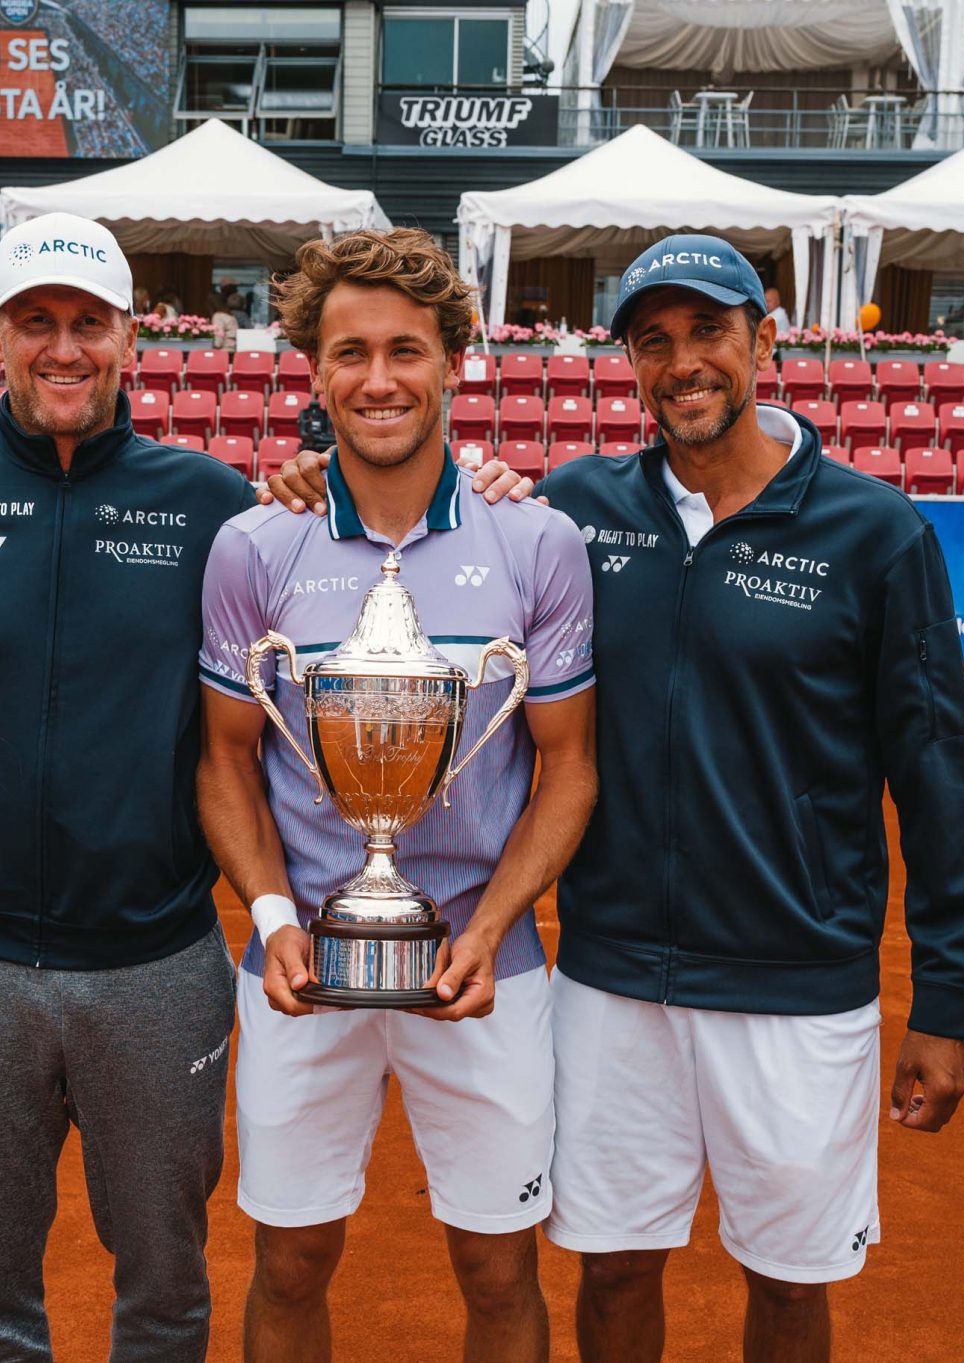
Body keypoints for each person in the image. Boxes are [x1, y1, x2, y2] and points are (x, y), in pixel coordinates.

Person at [265, 233, 964, 1363]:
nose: (681, 363)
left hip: (797, 984)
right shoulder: (574, 513)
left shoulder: (874, 532)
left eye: (707, 332)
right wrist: (318, 481)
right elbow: (440, 510)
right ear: (629, 365)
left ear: (763, 339)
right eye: (652, 342)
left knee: (791, 1288)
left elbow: (937, 776)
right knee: (609, 1276)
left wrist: (944, 1004)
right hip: (612, 983)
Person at [0, 211, 255, 1363]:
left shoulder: (210, 503)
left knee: (168, 1289)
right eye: (37, 322)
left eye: (88, 323)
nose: (63, 348)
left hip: (156, 965)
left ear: (131, 338)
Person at [197, 227, 599, 1363]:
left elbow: (567, 763)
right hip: (301, 969)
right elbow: (225, 758)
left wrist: (488, 926)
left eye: (406, 352)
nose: (378, 379)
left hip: (486, 967)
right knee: (288, 1258)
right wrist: (275, 922)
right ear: (313, 373)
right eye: (350, 353)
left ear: (453, 364)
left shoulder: (537, 540)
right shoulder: (253, 543)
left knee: (496, 1262)